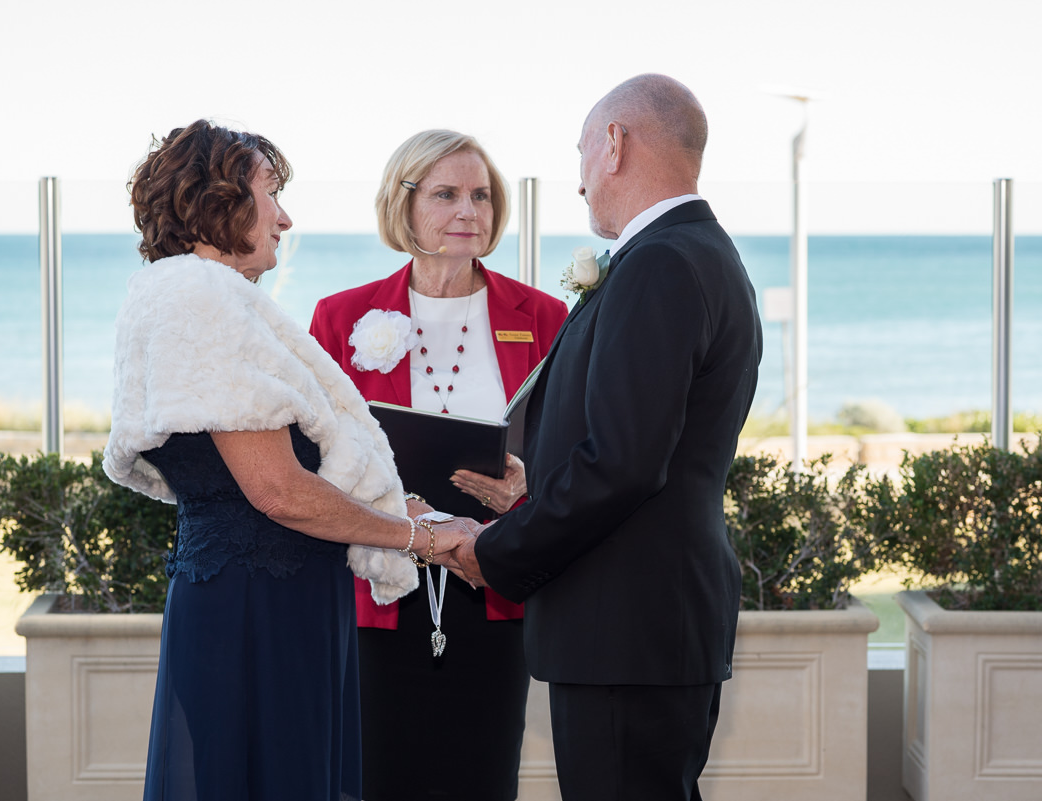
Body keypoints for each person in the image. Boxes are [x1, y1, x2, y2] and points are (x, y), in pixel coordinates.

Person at [102, 119, 475, 801]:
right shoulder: (205, 299)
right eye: (270, 192)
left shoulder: (185, 295)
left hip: (260, 598)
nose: (285, 216)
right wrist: (418, 538)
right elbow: (277, 490)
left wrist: (403, 506)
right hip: (260, 612)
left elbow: (257, 477)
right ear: (217, 202)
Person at [446, 75, 764, 800]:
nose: (580, 176)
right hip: (647, 626)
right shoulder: (703, 254)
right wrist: (536, 485)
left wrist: (495, 550)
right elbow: (655, 446)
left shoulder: (658, 264)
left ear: (615, 144)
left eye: (584, 149)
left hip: (625, 629)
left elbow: (623, 463)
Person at [309, 129, 568, 801]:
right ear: (404, 203)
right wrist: (402, 508)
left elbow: (572, 452)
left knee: (483, 776)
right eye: (447, 194)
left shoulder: (543, 316)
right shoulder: (340, 318)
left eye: (481, 196)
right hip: (380, 594)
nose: (469, 212)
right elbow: (314, 455)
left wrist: (527, 485)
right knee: (378, 778)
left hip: (494, 583)